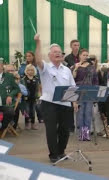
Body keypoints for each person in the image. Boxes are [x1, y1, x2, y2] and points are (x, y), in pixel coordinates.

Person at [34, 34, 77, 163]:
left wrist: (74, 101)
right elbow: (37, 60)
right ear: (50, 55)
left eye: (60, 52)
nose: (58, 54)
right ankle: (53, 154)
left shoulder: (66, 70)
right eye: (55, 52)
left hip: (65, 103)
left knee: (65, 130)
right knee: (51, 130)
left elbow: (72, 86)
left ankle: (61, 152)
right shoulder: (45, 67)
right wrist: (38, 43)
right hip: (49, 103)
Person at [71, 49, 99, 141]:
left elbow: (95, 80)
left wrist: (95, 92)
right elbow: (72, 79)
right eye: (84, 55)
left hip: (89, 91)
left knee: (88, 113)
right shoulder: (76, 66)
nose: (85, 57)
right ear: (79, 56)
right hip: (79, 92)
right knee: (80, 113)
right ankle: (81, 133)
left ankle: (86, 134)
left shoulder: (92, 67)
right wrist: (75, 68)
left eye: (87, 55)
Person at [0, 62, 20, 131]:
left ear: (2, 66)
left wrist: (10, 95)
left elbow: (17, 88)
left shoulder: (9, 76)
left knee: (10, 111)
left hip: (5, 104)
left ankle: (2, 128)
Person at [21, 64, 41, 130]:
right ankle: (27, 123)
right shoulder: (24, 79)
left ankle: (33, 124)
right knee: (27, 111)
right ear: (26, 71)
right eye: (29, 70)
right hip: (26, 98)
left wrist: (38, 96)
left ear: (34, 71)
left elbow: (38, 88)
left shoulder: (36, 78)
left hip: (34, 97)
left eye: (32, 70)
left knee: (33, 111)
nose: (30, 71)